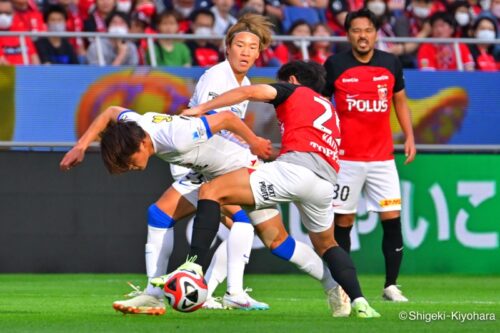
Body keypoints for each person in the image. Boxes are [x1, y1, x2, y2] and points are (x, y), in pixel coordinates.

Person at [157, 60, 380, 318]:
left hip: (294, 171)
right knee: (317, 244)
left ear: (293, 80)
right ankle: (358, 300)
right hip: (324, 184)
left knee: (211, 191)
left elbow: (249, 92)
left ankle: (192, 268)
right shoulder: (330, 108)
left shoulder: (293, 91)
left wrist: (201, 108)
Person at [323, 8, 416, 302]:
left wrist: (410, 136)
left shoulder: (391, 63)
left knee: (392, 219)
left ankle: (391, 285)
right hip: (346, 160)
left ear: (376, 33)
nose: (362, 36)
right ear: (348, 34)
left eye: (367, 30)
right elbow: (322, 104)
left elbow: (400, 101)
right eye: (356, 30)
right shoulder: (334, 64)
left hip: (382, 159)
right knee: (343, 223)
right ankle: (344, 288)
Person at [0, 0, 40, 65]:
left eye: (7, 13)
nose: (3, 16)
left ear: (13, 14)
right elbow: (2, 62)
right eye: (0, 13)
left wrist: (35, 73)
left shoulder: (22, 33)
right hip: (6, 74)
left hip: (27, 72)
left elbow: (34, 57)